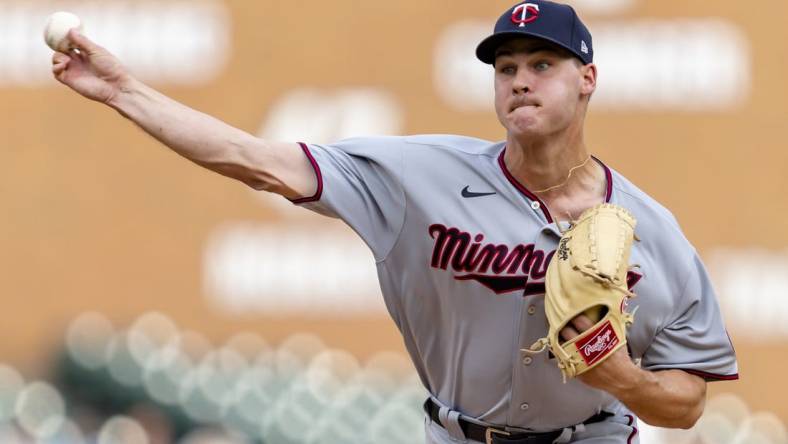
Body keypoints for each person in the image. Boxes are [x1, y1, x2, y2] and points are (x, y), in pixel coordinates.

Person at [52, 1, 738, 443]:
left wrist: (621, 377)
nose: (519, 80)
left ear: (587, 78)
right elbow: (254, 159)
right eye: (506, 68)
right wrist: (123, 91)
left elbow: (687, 403)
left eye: (542, 64)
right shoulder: (419, 177)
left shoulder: (653, 231)